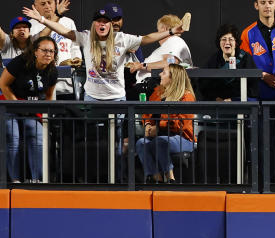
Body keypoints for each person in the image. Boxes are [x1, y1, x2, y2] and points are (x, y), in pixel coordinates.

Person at [22, 5, 187, 101]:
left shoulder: (122, 38)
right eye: (99, 21)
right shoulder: (86, 37)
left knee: (115, 143)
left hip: (117, 98)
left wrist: (172, 31)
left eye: (106, 22)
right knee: (94, 143)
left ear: (110, 25)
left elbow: (147, 38)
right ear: (94, 24)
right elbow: (65, 31)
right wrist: (42, 20)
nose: (102, 25)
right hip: (92, 98)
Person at [0, 36, 57, 183]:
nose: (48, 54)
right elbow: (3, 84)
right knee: (13, 136)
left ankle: (36, 179)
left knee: (37, 135)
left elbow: (49, 95)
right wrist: (16, 105)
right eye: (44, 50)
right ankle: (14, 180)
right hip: (10, 105)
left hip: (31, 109)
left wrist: (46, 117)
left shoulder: (52, 71)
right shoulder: (20, 62)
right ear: (35, 52)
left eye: (52, 51)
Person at [135, 63, 196, 183]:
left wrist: (158, 127)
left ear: (173, 77)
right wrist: (147, 124)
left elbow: (180, 124)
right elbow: (147, 112)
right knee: (141, 143)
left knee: (161, 141)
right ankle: (155, 178)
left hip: (182, 138)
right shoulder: (158, 92)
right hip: (159, 136)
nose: (160, 75)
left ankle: (170, 177)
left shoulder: (186, 96)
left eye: (163, 72)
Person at [29, 0, 82, 99]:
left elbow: (75, 47)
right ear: (36, 6)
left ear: (56, 3)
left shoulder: (68, 22)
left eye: (50, 3)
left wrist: (76, 59)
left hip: (66, 83)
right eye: (43, 4)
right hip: (42, 82)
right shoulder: (30, 25)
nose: (47, 6)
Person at [132, 14, 193, 85]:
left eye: (158, 30)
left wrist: (142, 65)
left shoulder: (174, 40)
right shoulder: (170, 44)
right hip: (150, 86)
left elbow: (169, 63)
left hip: (156, 87)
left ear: (165, 29)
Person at [200, 24, 255, 101]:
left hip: (240, 104)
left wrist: (233, 99)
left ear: (236, 43)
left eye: (231, 39)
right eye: (223, 39)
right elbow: (204, 85)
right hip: (218, 105)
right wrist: (215, 98)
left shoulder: (246, 58)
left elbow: (253, 88)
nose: (227, 42)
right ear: (219, 42)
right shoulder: (214, 59)